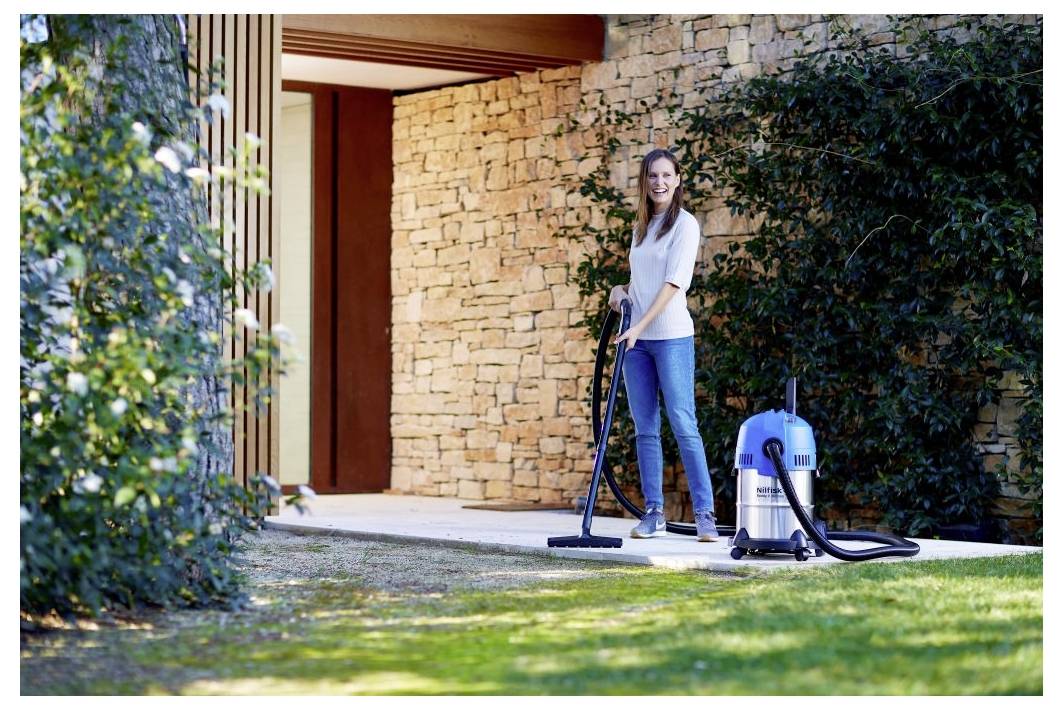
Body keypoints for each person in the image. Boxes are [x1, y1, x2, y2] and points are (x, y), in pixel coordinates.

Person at [608, 148, 718, 542]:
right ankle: (654, 512)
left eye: (666, 175)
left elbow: (674, 283)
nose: (659, 183)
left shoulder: (685, 225)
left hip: (669, 337)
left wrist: (640, 325)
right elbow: (641, 279)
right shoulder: (640, 226)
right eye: (652, 176)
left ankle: (705, 513)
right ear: (645, 181)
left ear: (677, 179)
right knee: (645, 428)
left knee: (684, 424)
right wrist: (619, 291)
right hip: (635, 340)